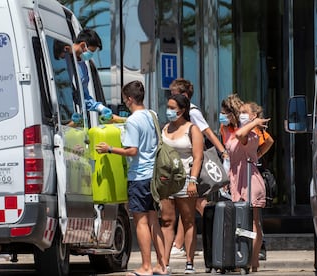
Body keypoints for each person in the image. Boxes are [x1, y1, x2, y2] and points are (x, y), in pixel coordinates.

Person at [95, 80, 169, 276]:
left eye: (124, 99)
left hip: (139, 176)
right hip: (153, 176)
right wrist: (115, 119)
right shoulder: (151, 115)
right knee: (154, 221)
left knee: (141, 222)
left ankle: (145, 266)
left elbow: (132, 151)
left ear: (128, 99)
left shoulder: (134, 121)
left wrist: (108, 149)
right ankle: (162, 266)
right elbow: (130, 122)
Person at [168, 78, 228, 257]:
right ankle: (178, 245)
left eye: (174, 95)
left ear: (184, 95)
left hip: (196, 164)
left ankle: (222, 234)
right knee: (188, 204)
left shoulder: (192, 112)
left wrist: (223, 151)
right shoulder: (182, 113)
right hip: (189, 165)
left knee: (199, 203)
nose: (171, 99)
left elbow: (207, 131)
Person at [220, 95, 269, 272]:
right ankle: (247, 259)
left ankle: (252, 261)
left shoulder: (249, 132)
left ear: (253, 116)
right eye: (239, 112)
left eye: (244, 113)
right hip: (237, 178)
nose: (240, 115)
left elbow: (244, 135)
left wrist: (254, 124)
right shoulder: (239, 130)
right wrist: (255, 157)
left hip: (249, 179)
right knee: (242, 222)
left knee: (253, 222)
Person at [159, 94, 204, 274]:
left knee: (188, 220)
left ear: (182, 110)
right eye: (168, 107)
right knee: (167, 220)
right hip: (166, 180)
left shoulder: (192, 129)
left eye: (172, 108)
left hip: (186, 179)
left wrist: (193, 180)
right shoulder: (165, 128)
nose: (169, 111)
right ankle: (164, 263)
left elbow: (198, 156)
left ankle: (189, 262)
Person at [54, 29, 123, 124]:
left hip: (67, 117)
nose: (90, 55)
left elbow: (83, 96)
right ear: (83, 45)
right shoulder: (61, 59)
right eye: (91, 51)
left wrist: (100, 107)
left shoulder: (83, 68)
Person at [246, 101, 275, 261]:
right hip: (246, 173)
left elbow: (269, 141)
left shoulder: (257, 131)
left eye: (246, 112)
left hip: (254, 174)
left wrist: (258, 155)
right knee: (252, 216)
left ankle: (259, 247)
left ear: (254, 116)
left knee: (255, 215)